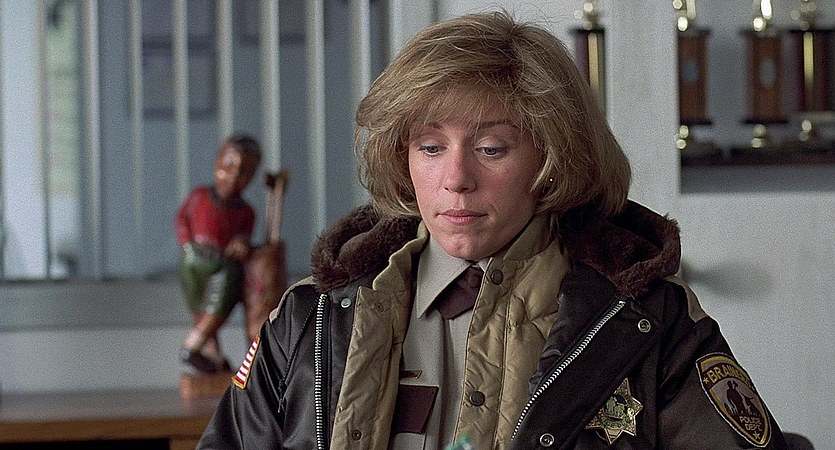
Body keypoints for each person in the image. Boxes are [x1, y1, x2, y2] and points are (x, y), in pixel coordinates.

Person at [198, 11, 788, 449]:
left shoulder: (645, 322)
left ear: (551, 158)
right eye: (431, 147)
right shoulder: (311, 321)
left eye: (491, 148)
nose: (456, 179)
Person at [175, 133, 262, 374]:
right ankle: (211, 353)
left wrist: (241, 244)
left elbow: (244, 239)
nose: (233, 176)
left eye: (244, 172)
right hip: (193, 259)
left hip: (223, 265)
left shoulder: (246, 212)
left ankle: (193, 347)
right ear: (217, 163)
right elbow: (182, 219)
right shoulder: (199, 196)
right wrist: (187, 244)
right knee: (199, 308)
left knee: (222, 297)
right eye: (228, 167)